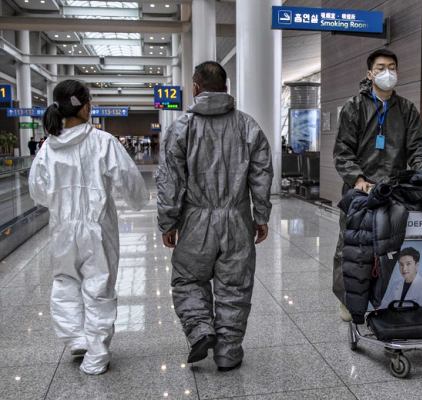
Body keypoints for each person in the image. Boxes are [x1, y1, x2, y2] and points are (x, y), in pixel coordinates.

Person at [156, 61, 273, 371]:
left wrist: (168, 221)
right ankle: (228, 353)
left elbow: (169, 180)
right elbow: (262, 174)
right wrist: (261, 215)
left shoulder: (181, 127)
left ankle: (200, 330)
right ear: (227, 88)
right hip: (237, 218)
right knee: (234, 286)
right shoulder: (247, 126)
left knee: (188, 278)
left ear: (196, 88)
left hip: (195, 220)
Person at [28, 79, 149, 375]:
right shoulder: (102, 141)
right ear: (84, 108)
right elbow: (130, 181)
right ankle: (96, 356)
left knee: (65, 281)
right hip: (97, 227)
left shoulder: (48, 147)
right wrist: (138, 201)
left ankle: (76, 338)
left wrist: (60, 201)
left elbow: (38, 191)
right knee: (98, 287)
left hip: (62, 228)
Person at [333, 48, 422, 321]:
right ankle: (347, 300)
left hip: (393, 191)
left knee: (389, 246)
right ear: (370, 74)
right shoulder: (354, 107)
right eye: (380, 68)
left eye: (392, 67)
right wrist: (358, 179)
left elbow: (418, 148)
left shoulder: (407, 109)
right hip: (359, 190)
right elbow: (343, 150)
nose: (387, 72)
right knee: (351, 247)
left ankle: (385, 296)